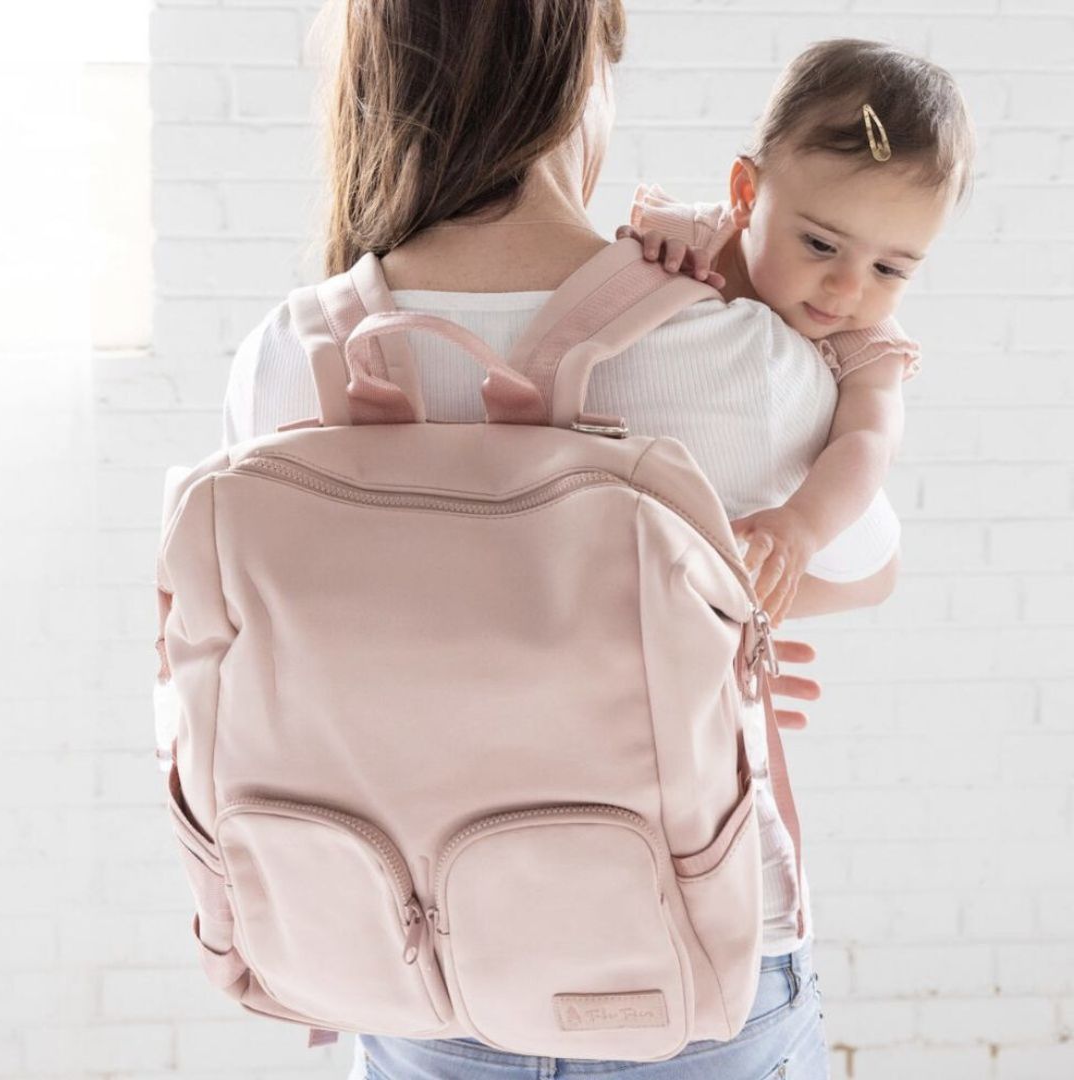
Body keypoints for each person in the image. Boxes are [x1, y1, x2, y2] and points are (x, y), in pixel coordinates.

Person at [220, 2, 904, 1076]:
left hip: (414, 957)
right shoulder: (742, 359)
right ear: (581, 76)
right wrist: (704, 612)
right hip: (691, 970)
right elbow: (867, 572)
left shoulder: (292, 353)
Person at [620, 39, 975, 628]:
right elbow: (602, 286)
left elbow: (869, 442)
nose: (845, 289)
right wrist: (640, 257)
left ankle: (733, 628)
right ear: (746, 196)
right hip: (667, 513)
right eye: (820, 244)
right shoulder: (690, 239)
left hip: (789, 548)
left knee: (875, 577)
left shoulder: (868, 347)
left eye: (889, 269)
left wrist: (803, 525)